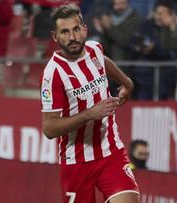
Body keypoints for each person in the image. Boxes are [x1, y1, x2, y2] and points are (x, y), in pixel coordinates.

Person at [40, 5, 139, 203]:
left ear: (84, 29)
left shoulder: (94, 49)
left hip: (110, 150)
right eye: (65, 32)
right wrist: (89, 114)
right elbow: (49, 128)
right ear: (55, 37)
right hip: (76, 161)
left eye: (76, 29)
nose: (72, 37)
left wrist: (126, 82)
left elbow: (102, 61)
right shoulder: (53, 74)